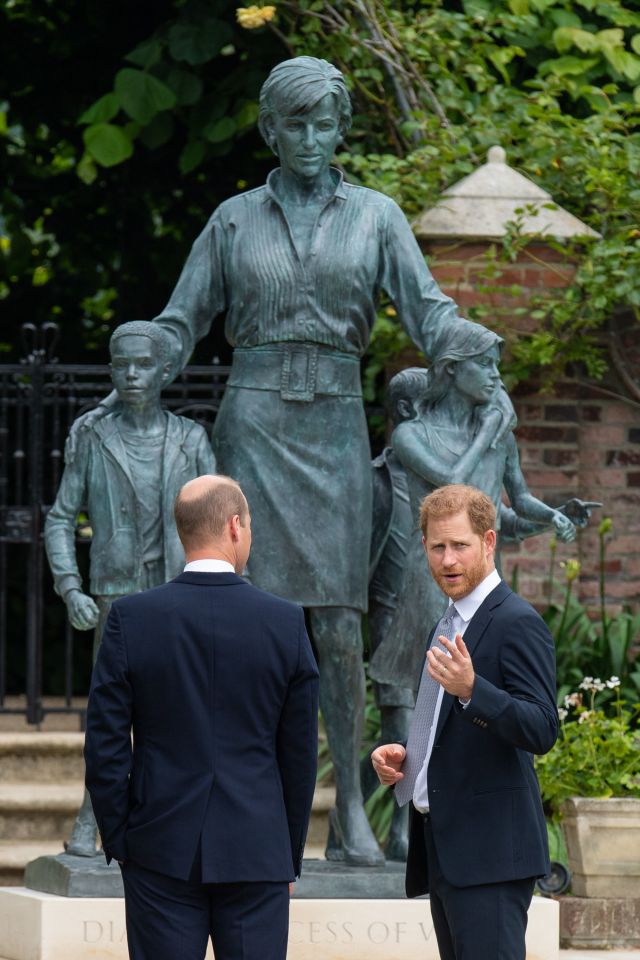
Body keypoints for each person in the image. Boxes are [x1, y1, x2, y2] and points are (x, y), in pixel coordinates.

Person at [72, 56, 515, 865]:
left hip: (337, 432)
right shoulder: (234, 219)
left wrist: (478, 352)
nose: (310, 139)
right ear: (270, 130)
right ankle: (251, 803)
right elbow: (181, 321)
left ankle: (348, 807)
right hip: (255, 425)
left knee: (340, 628)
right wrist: (139, 369)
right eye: (294, 124)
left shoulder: (377, 216)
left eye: (324, 123)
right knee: (242, 621)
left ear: (342, 129)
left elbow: (428, 311)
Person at [84, 474, 319, 960]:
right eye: (249, 525)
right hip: (257, 851)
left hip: (158, 848)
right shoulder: (286, 621)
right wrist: (285, 856)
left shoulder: (132, 618)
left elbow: (105, 744)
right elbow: (298, 756)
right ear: (235, 526)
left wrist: (123, 840)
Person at [45, 320, 215, 856]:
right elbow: (59, 518)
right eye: (122, 365)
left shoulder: (191, 439)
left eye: (144, 364)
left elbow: (223, 522)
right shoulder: (92, 435)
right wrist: (71, 586)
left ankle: (176, 824)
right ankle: (90, 817)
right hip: (116, 595)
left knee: (184, 711)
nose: (133, 374)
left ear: (166, 371)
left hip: (181, 594)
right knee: (110, 712)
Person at [371, 484, 559, 960]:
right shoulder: (447, 623)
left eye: (460, 545)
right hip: (449, 854)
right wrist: (405, 758)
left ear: (489, 542)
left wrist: (475, 690)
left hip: (492, 857)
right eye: (438, 547)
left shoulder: (516, 621)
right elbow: (449, 730)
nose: (448, 559)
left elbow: (541, 728)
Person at [369, 321, 579, 694]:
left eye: (496, 366)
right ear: (452, 368)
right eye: (484, 364)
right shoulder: (413, 434)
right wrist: (487, 431)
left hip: (483, 578)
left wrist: (554, 516)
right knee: (417, 691)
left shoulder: (500, 440)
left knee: (477, 685)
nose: (495, 377)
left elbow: (518, 501)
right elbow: (453, 484)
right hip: (431, 578)